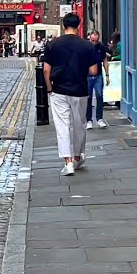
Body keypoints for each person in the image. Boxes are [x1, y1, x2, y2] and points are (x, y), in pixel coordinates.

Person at [41, 13, 97, 176]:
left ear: (63, 25)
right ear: (79, 25)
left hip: (58, 90)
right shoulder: (87, 46)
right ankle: (77, 158)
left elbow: (46, 70)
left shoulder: (53, 44)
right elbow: (93, 70)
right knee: (80, 124)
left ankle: (68, 163)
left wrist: (49, 88)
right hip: (80, 90)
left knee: (62, 127)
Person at [85, 30, 110, 129]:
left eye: (96, 41)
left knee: (99, 96)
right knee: (88, 98)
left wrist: (107, 75)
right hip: (87, 76)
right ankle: (89, 120)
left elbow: (105, 61)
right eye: (92, 40)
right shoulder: (85, 47)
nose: (94, 43)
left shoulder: (101, 47)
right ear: (89, 38)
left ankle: (99, 118)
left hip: (98, 75)